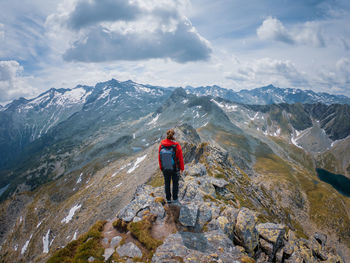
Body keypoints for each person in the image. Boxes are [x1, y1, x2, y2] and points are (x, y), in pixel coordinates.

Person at [158, 129, 184, 204]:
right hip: (175, 168)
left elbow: (159, 157)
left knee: (167, 183)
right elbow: (180, 158)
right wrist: (182, 168)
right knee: (175, 183)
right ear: (173, 136)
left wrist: (161, 167)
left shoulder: (161, 145)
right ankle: (175, 198)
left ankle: (168, 199)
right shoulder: (176, 146)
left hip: (165, 168)